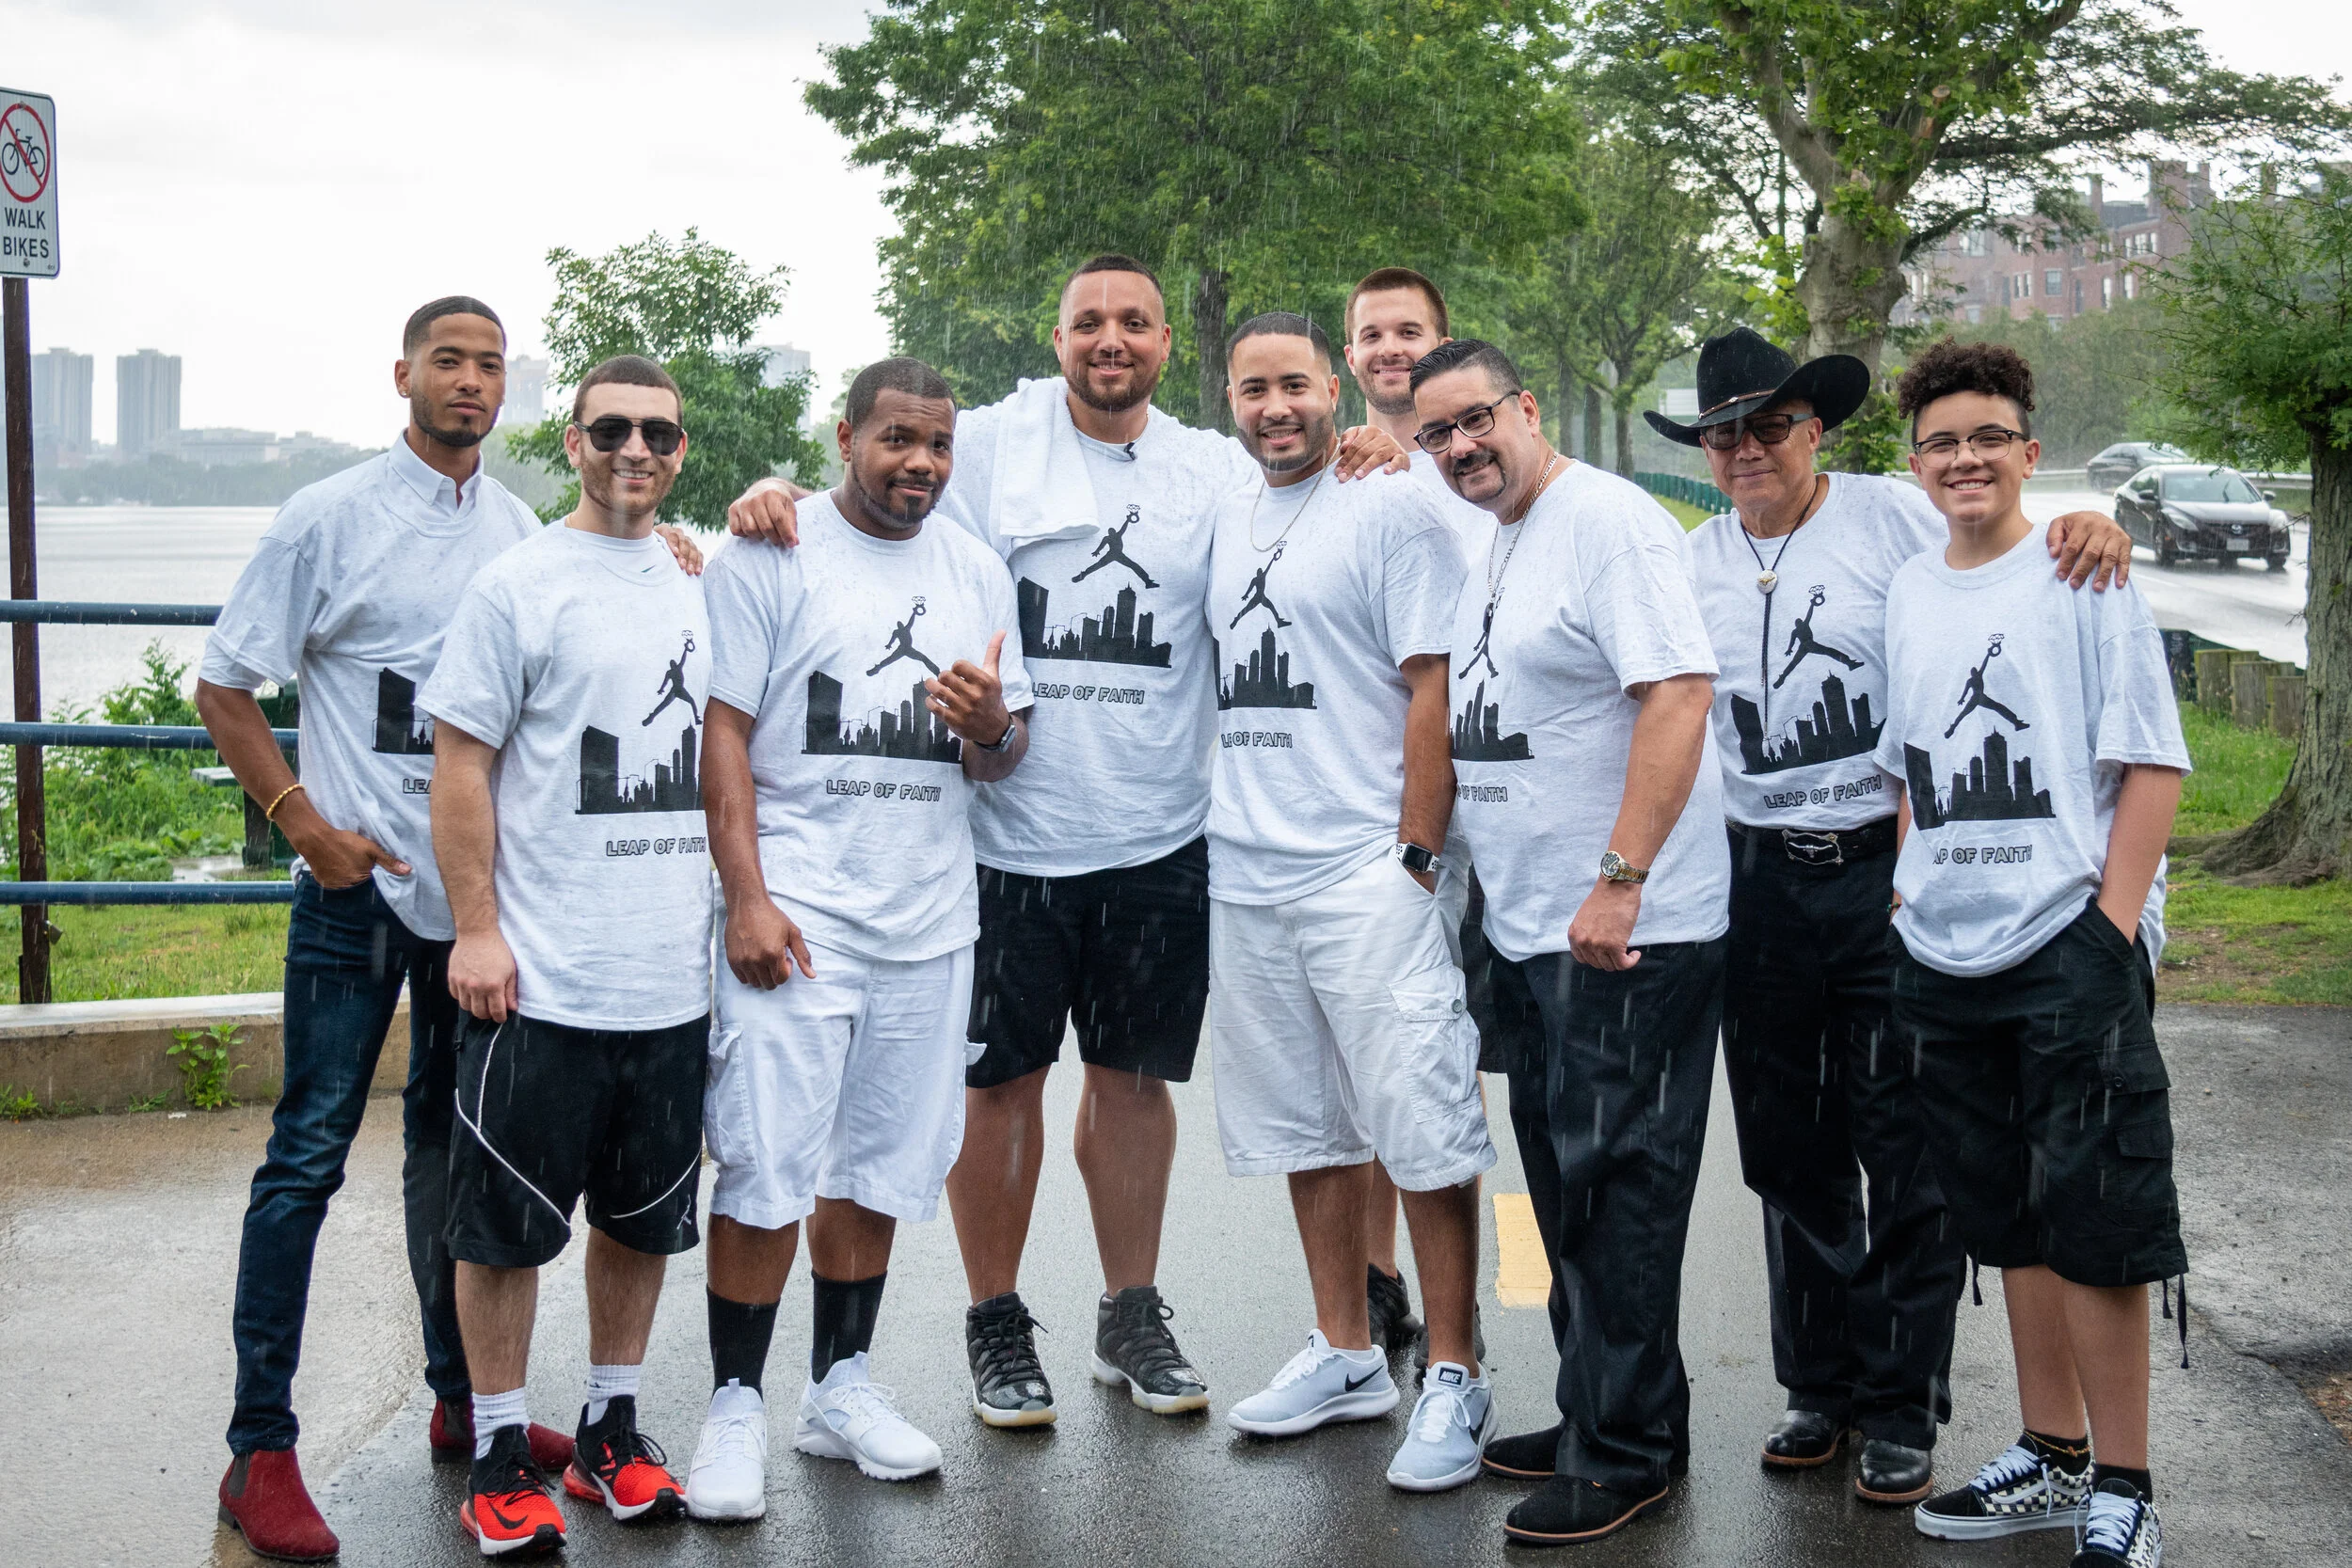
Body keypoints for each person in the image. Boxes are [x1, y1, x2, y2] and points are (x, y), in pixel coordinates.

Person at [723, 256, 1410, 1432]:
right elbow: (885, 454)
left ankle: (1129, 1306)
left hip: (1159, 828)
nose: (1111, 339)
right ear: (1055, 339)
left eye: (1134, 322)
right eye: (1089, 321)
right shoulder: (990, 442)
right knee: (1001, 1085)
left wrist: (1379, 446)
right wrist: (771, 484)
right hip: (1002, 833)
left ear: (1162, 345)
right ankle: (996, 1319)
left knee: (1133, 1081)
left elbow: (1307, 483)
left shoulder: (1206, 462)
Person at [198, 298, 694, 1560]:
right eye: (450, 361)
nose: (471, 382)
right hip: (360, 896)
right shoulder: (327, 516)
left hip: (481, 909)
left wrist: (680, 550)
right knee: (308, 1155)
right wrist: (304, 822)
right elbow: (226, 682)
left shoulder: (522, 529)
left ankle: (462, 1398)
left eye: (490, 366)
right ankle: (259, 1445)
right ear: (404, 373)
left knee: (449, 1157)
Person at [1658, 326, 2133, 1505]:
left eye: (1770, 424)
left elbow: (2009, 544)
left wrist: (2089, 520)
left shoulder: (1889, 514)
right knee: (1786, 1145)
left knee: (1902, 1140)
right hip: (1758, 877)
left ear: (1816, 429)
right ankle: (1817, 1379)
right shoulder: (1689, 560)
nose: (1746, 448)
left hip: (1888, 866)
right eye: (1724, 432)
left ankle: (1903, 1397)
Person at [685, 357, 1033, 1511]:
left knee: (878, 1159)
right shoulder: (768, 552)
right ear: (845, 438)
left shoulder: (975, 564)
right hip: (803, 909)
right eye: (896, 439)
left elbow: (999, 753)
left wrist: (992, 727)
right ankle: (735, 1405)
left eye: (936, 444)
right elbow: (722, 732)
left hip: (929, 917)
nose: (919, 464)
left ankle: (839, 1388)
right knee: (765, 1158)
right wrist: (745, 892)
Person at [1411, 338, 1725, 1545]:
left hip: (1626, 928)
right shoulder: (1497, 534)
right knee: (1557, 1180)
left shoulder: (1610, 522)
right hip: (1534, 925)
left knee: (1621, 1189)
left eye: (1474, 420)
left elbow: (1678, 691)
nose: (1457, 448)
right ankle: (1603, 1408)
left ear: (1527, 408)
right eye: (1435, 434)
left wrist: (1620, 878)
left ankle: (1630, 1450)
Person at [1879, 340, 2186, 1568]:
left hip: (2067, 939)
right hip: (1941, 948)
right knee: (2005, 1218)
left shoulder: (2083, 574)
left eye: (1988, 436)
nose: (1966, 457)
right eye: (1944, 440)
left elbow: (2151, 760)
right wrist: (1906, 897)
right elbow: (1912, 761)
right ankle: (2051, 1454)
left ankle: (2125, 1478)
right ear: (1916, 461)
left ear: (2029, 452)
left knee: (2097, 1214)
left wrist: (2110, 925)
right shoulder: (1909, 589)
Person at [421, 355, 714, 1555]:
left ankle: (609, 1427)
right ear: (576, 440)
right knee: (502, 1226)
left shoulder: (705, 580)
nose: (633, 450)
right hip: (542, 974)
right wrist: (477, 927)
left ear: (681, 447)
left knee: (642, 1221)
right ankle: (498, 1445)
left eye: (657, 432)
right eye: (610, 431)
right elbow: (460, 766)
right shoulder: (518, 584)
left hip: (670, 979)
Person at [1206, 312, 1496, 1496]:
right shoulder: (1226, 512)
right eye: (1251, 389)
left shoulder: (1390, 504)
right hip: (1247, 869)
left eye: (1293, 385)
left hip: (1362, 867)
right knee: (1306, 1128)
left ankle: (1457, 1369)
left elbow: (1431, 687)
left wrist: (1416, 857)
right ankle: (1346, 1350)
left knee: (1418, 1121)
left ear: (1332, 388)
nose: (1275, 408)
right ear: (1226, 399)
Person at [1338, 268, 1504, 1365]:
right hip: (1395, 812)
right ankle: (1376, 1284)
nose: (1390, 347)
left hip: (1508, 804)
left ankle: (1512, 1292)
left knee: (1482, 1068)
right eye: (1371, 333)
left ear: (1442, 343)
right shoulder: (1337, 468)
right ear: (1350, 354)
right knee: (1376, 1063)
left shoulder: (1476, 459)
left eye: (1410, 331)